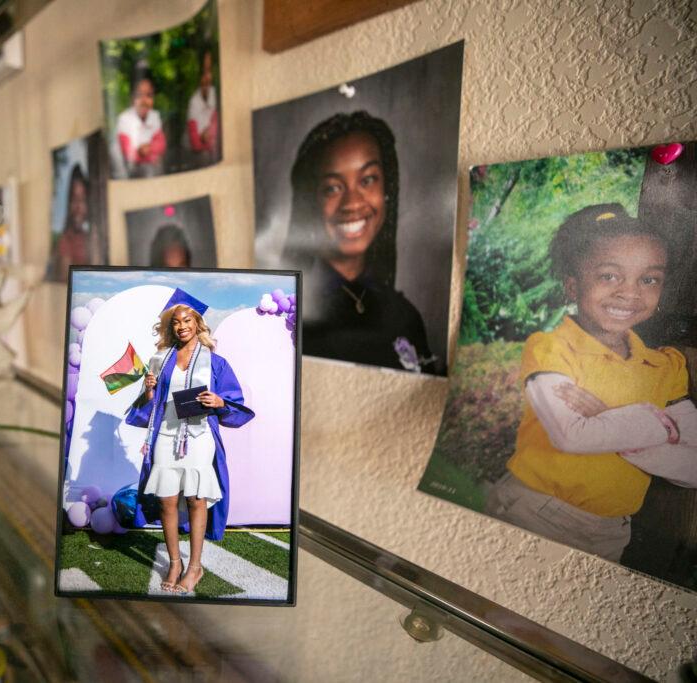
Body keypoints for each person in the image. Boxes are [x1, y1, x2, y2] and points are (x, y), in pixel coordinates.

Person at [486, 204, 697, 562]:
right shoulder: (551, 349)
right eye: (609, 276)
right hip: (536, 511)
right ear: (572, 286)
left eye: (648, 279)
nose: (630, 293)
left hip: (612, 532)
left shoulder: (665, 366)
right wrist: (660, 426)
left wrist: (612, 422)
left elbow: (692, 470)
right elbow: (573, 436)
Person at [285, 110, 436, 373]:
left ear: (387, 190)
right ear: (311, 202)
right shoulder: (287, 318)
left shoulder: (404, 317)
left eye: (367, 180)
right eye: (333, 187)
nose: (353, 203)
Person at [126, 290, 254, 594]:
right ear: (171, 328)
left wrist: (219, 401)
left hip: (198, 435)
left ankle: (195, 566)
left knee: (197, 499)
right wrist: (148, 390)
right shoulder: (161, 359)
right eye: (176, 323)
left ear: (197, 324)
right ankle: (174, 562)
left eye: (187, 320)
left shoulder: (216, 362)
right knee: (167, 500)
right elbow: (150, 405)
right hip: (167, 432)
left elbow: (234, 402)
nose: (181, 326)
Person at [49, 165, 97, 281]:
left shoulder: (92, 237)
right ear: (68, 203)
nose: (78, 207)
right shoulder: (65, 242)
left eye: (83, 200)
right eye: (74, 199)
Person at [116, 66, 166, 178]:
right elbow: (128, 153)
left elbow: (161, 144)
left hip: (152, 168)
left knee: (156, 167)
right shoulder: (124, 119)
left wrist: (147, 150)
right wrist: (147, 154)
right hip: (132, 171)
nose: (144, 101)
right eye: (139, 95)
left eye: (149, 95)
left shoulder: (154, 116)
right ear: (132, 98)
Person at [186, 50, 219, 165]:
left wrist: (208, 134)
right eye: (204, 71)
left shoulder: (216, 94)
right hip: (201, 153)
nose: (207, 76)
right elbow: (195, 143)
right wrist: (205, 139)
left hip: (214, 148)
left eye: (209, 71)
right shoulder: (194, 102)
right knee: (204, 156)